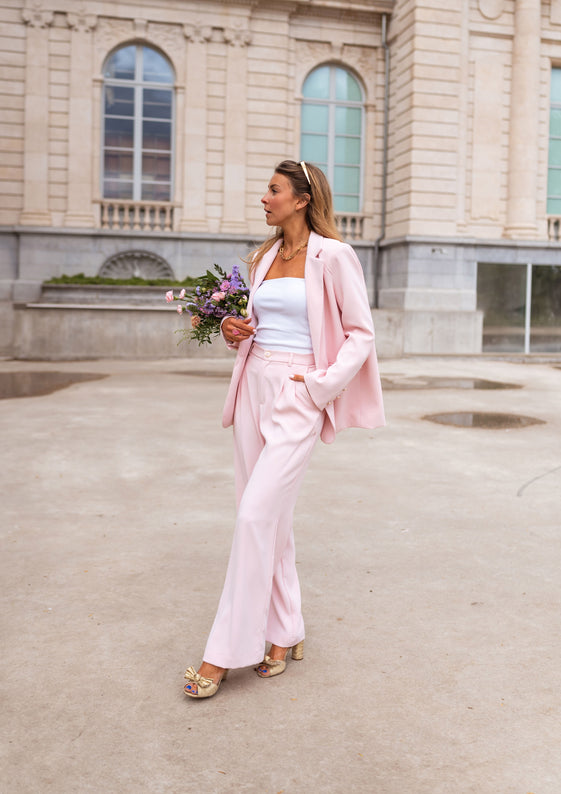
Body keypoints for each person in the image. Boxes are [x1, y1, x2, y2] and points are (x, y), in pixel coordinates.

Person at [183, 160, 385, 698]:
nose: (264, 198)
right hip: (253, 386)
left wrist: (319, 386)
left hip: (298, 391)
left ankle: (224, 653)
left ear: (301, 198)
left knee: (254, 515)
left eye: (273, 190)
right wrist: (234, 329)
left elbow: (361, 334)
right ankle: (286, 629)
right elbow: (256, 325)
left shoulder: (334, 256)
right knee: (270, 515)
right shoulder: (265, 256)